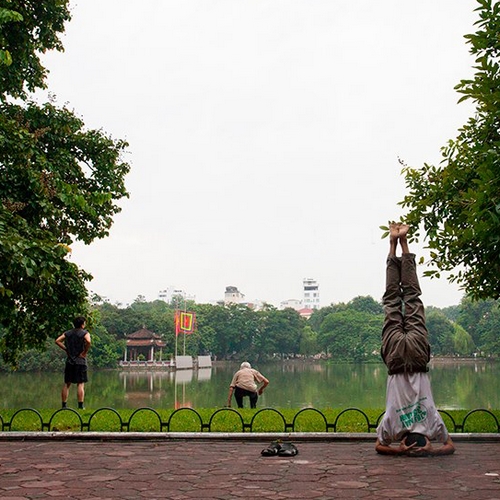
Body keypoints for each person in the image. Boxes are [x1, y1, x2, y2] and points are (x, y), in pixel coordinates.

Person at [375, 223, 455, 456]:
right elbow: (380, 447)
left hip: (416, 358)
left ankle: (401, 242)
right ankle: (395, 244)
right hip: (396, 359)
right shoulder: (392, 425)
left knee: (411, 297)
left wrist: (431, 450)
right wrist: (403, 451)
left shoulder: (433, 423)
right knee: (391, 301)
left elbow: (449, 447)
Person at [55, 316, 91, 410]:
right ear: (82, 324)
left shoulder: (68, 333)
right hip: (80, 361)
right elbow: (88, 341)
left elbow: (57, 341)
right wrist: (84, 352)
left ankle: (64, 406)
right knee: (80, 383)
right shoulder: (85, 333)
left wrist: (66, 349)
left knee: (67, 384)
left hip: (70, 360)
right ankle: (80, 406)